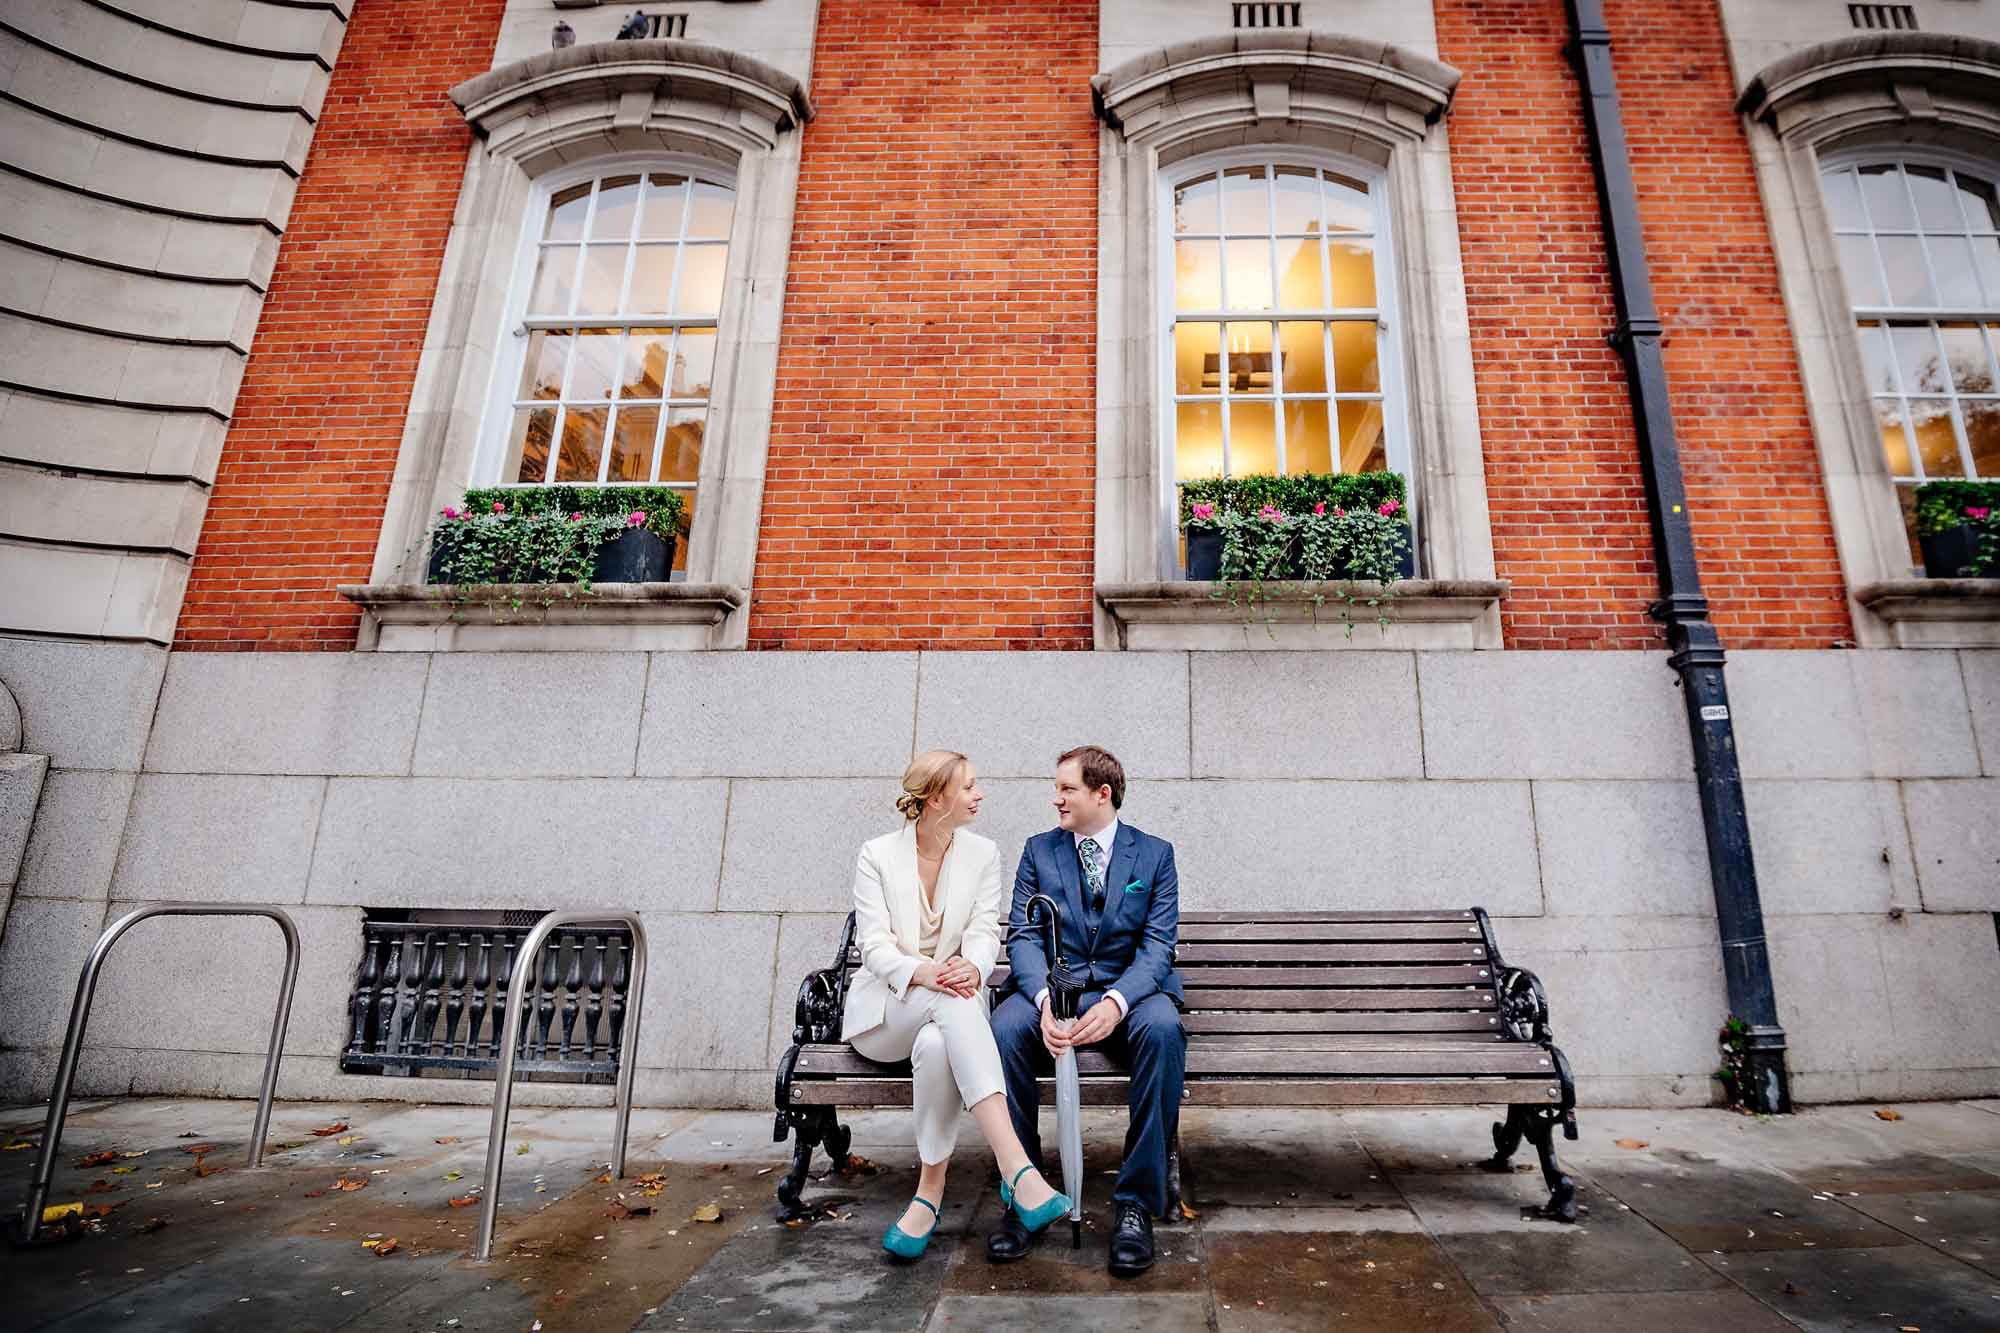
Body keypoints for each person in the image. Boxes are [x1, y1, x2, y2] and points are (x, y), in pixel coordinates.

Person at [843, 749, 1072, 1261]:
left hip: (944, 1015)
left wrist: (973, 965)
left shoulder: (983, 854)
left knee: (938, 1038)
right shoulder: (876, 855)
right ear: (934, 797)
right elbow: (875, 945)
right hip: (885, 1015)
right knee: (954, 1005)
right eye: (968, 786)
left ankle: (929, 1195)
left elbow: (986, 929)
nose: (980, 794)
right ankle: (1017, 1169)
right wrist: (928, 973)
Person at [987, 744, 1186, 1277]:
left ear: (1103, 794)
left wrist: (1119, 1003)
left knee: (1164, 1030)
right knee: (1004, 1029)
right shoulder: (1038, 850)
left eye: (1066, 789)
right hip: (1055, 992)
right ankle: (1023, 1191)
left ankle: (1136, 1204)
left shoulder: (1155, 855)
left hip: (1129, 994)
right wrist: (1044, 1001)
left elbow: (1158, 946)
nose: (1056, 800)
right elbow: (1024, 935)